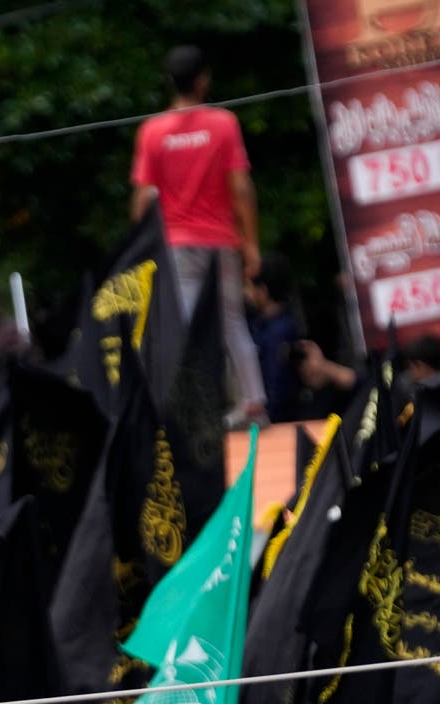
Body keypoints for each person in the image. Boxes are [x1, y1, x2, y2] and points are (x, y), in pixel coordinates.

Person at [131, 46, 265, 423]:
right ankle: (253, 402)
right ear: (203, 79)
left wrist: (139, 249)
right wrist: (251, 244)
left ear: (169, 82)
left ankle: (190, 411)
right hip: (220, 241)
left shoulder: (152, 132)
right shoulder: (223, 124)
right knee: (232, 322)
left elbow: (143, 199)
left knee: (185, 325)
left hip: (177, 246)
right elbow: (241, 188)